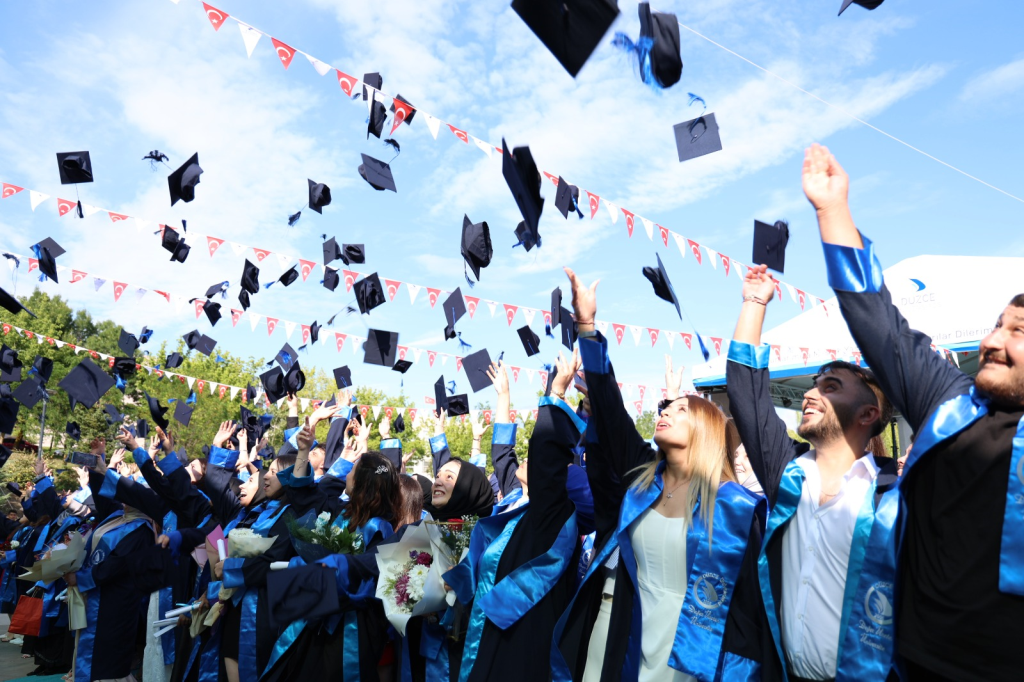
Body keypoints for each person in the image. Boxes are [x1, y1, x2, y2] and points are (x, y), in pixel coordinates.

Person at [802, 142, 1024, 681]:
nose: (993, 341)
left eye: (1017, 332)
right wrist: (833, 212)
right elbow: (880, 322)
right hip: (903, 664)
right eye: (996, 325)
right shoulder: (948, 401)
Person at [553, 267, 765, 682]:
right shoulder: (643, 480)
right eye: (666, 407)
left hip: (694, 650)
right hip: (624, 633)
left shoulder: (734, 506)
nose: (665, 410)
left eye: (679, 409)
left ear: (705, 430)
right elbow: (611, 413)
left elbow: (749, 607)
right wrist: (587, 326)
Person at [726, 262, 899, 682]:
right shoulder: (787, 474)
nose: (809, 393)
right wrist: (753, 302)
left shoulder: (894, 494)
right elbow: (747, 395)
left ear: (868, 413)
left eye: (831, 387)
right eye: (814, 383)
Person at [444, 351, 588, 682]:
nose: (526, 458)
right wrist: (504, 396)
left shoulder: (550, 516)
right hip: (483, 630)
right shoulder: (514, 499)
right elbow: (503, 452)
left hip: (518, 637)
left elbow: (547, 454)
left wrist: (558, 396)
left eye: (537, 460)